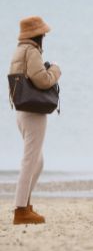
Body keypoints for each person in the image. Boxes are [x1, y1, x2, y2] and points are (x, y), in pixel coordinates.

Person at [8, 16, 62, 225]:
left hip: (21, 112)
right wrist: (55, 70)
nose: (44, 37)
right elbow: (42, 80)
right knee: (30, 161)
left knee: (37, 162)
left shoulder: (19, 50)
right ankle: (20, 210)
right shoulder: (31, 51)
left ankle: (25, 204)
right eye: (43, 34)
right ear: (37, 35)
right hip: (33, 113)